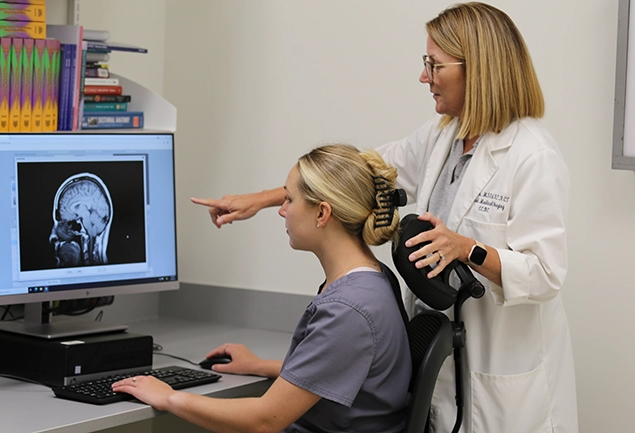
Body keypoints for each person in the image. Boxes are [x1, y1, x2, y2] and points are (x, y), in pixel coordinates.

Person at [191, 3, 578, 433]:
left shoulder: (532, 156)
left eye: (434, 64)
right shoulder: (442, 135)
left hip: (502, 372)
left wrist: (466, 248)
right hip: (444, 363)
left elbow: (545, 273)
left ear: (479, 68)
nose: (423, 77)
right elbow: (353, 175)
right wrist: (261, 199)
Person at [113, 144, 412, 433]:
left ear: (322, 213)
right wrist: (263, 366)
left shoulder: (348, 309)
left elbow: (264, 421)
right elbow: (338, 366)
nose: (282, 211)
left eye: (289, 200)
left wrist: (169, 397)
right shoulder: (373, 278)